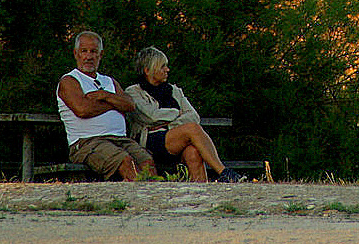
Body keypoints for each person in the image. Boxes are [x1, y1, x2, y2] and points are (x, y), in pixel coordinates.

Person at [124, 46, 246, 183]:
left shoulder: (174, 91)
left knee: (193, 151)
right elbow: (151, 116)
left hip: (174, 137)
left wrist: (171, 125)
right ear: (148, 70)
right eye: (163, 66)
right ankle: (224, 172)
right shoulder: (133, 92)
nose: (167, 70)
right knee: (192, 129)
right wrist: (177, 113)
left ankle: (201, 192)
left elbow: (194, 116)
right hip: (150, 141)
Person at [56, 31, 156, 181]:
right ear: (76, 54)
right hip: (88, 142)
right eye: (84, 51)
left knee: (147, 161)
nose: (89, 56)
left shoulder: (109, 81)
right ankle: (140, 199)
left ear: (100, 55)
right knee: (125, 161)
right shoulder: (70, 80)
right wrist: (114, 103)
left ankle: (153, 197)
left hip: (120, 140)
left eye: (94, 52)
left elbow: (129, 104)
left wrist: (105, 96)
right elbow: (83, 110)